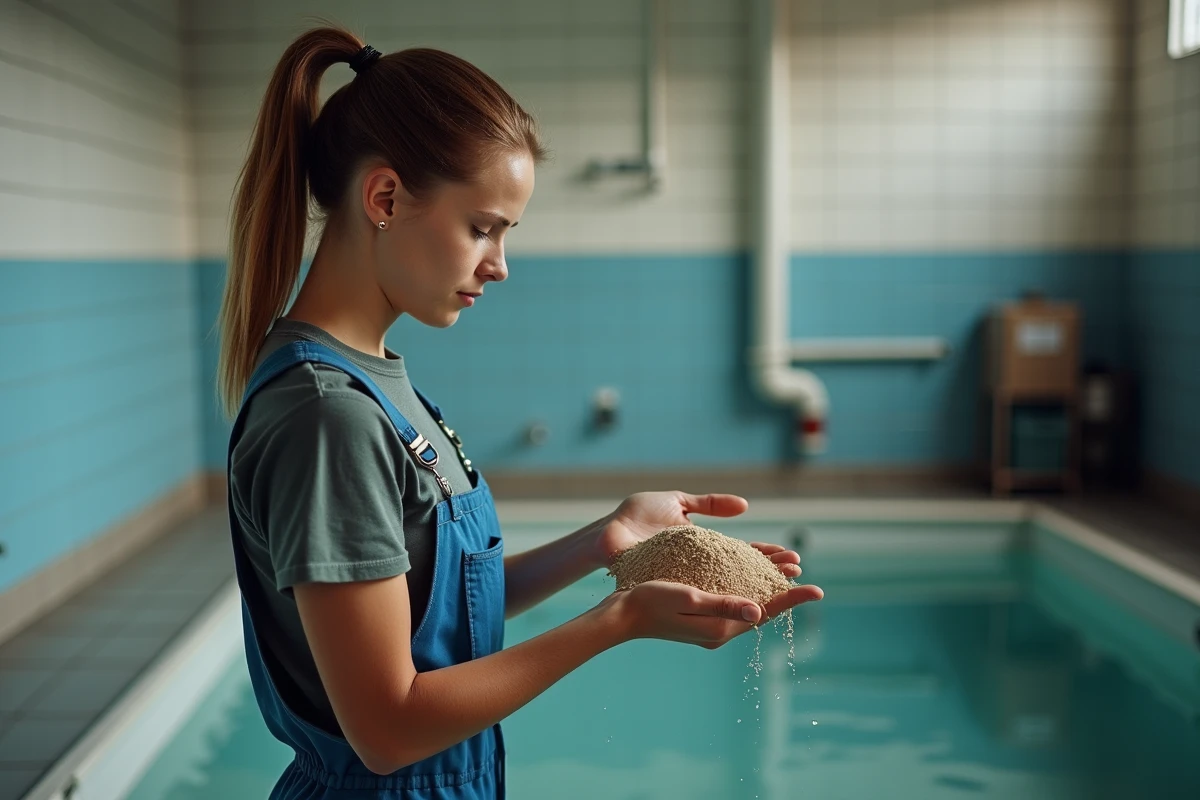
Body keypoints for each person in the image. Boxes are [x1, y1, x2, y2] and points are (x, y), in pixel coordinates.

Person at [217, 25, 824, 800]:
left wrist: (607, 541)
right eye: (483, 227)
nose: (499, 265)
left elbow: (433, 611)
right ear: (385, 197)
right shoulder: (327, 419)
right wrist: (617, 621)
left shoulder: (376, 385)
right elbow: (388, 728)